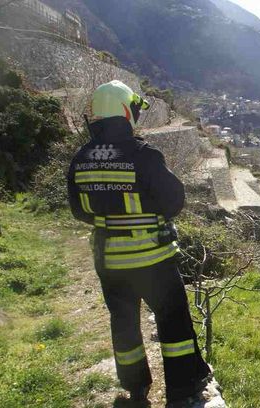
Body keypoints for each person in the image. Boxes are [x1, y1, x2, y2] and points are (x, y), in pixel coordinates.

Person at [67, 80, 210, 406]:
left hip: (109, 262)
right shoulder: (143, 156)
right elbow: (174, 200)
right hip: (152, 260)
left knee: (124, 323)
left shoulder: (81, 159)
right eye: (132, 110)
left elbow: (79, 210)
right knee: (173, 323)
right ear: (123, 112)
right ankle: (184, 387)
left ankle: (135, 387)